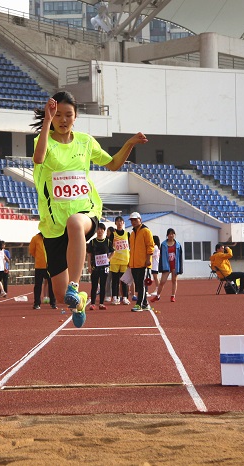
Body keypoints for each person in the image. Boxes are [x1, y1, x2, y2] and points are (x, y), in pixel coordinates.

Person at [31, 91, 147, 327]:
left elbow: (113, 164)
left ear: (76, 116)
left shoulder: (85, 142)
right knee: (63, 297)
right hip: (53, 224)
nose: (63, 120)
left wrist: (129, 144)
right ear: (51, 116)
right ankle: (79, 300)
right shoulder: (44, 140)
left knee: (75, 222)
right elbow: (39, 158)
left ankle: (76, 285)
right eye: (58, 115)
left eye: (68, 115)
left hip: (86, 209)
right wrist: (46, 121)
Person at [128, 212, 154, 312]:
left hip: (143, 263)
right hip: (134, 264)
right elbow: (132, 249)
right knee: (138, 284)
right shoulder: (132, 233)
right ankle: (145, 303)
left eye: (135, 219)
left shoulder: (146, 231)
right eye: (132, 220)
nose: (133, 222)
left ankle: (139, 304)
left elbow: (150, 246)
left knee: (141, 285)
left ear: (140, 219)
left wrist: (148, 260)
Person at [152, 228, 183, 302]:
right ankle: (158, 295)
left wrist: (180, 267)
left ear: (174, 235)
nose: (171, 235)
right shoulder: (163, 244)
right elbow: (161, 256)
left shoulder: (178, 245)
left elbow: (180, 256)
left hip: (175, 265)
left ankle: (173, 296)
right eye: (169, 234)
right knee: (162, 281)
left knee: (174, 280)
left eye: (172, 234)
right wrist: (162, 266)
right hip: (166, 265)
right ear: (167, 235)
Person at [87, 222, 111, 310]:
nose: (100, 231)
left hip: (104, 267)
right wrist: (89, 266)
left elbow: (113, 251)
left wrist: (109, 259)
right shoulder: (92, 242)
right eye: (98, 229)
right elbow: (89, 254)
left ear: (104, 231)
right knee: (94, 285)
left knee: (103, 284)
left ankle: (101, 303)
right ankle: (92, 303)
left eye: (102, 229)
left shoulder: (107, 241)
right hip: (95, 266)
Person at [29, 232, 56, 310]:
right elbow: (32, 251)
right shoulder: (35, 238)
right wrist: (39, 257)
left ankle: (53, 303)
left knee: (52, 285)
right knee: (38, 285)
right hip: (39, 266)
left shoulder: (52, 237)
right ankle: (36, 303)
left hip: (50, 266)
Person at [110, 216, 131, 306]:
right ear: (115, 223)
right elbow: (110, 247)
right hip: (115, 260)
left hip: (125, 260)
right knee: (115, 280)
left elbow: (131, 247)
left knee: (124, 281)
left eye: (121, 221)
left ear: (123, 223)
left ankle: (125, 298)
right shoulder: (113, 235)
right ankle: (115, 297)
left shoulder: (127, 234)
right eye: (117, 221)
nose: (119, 223)